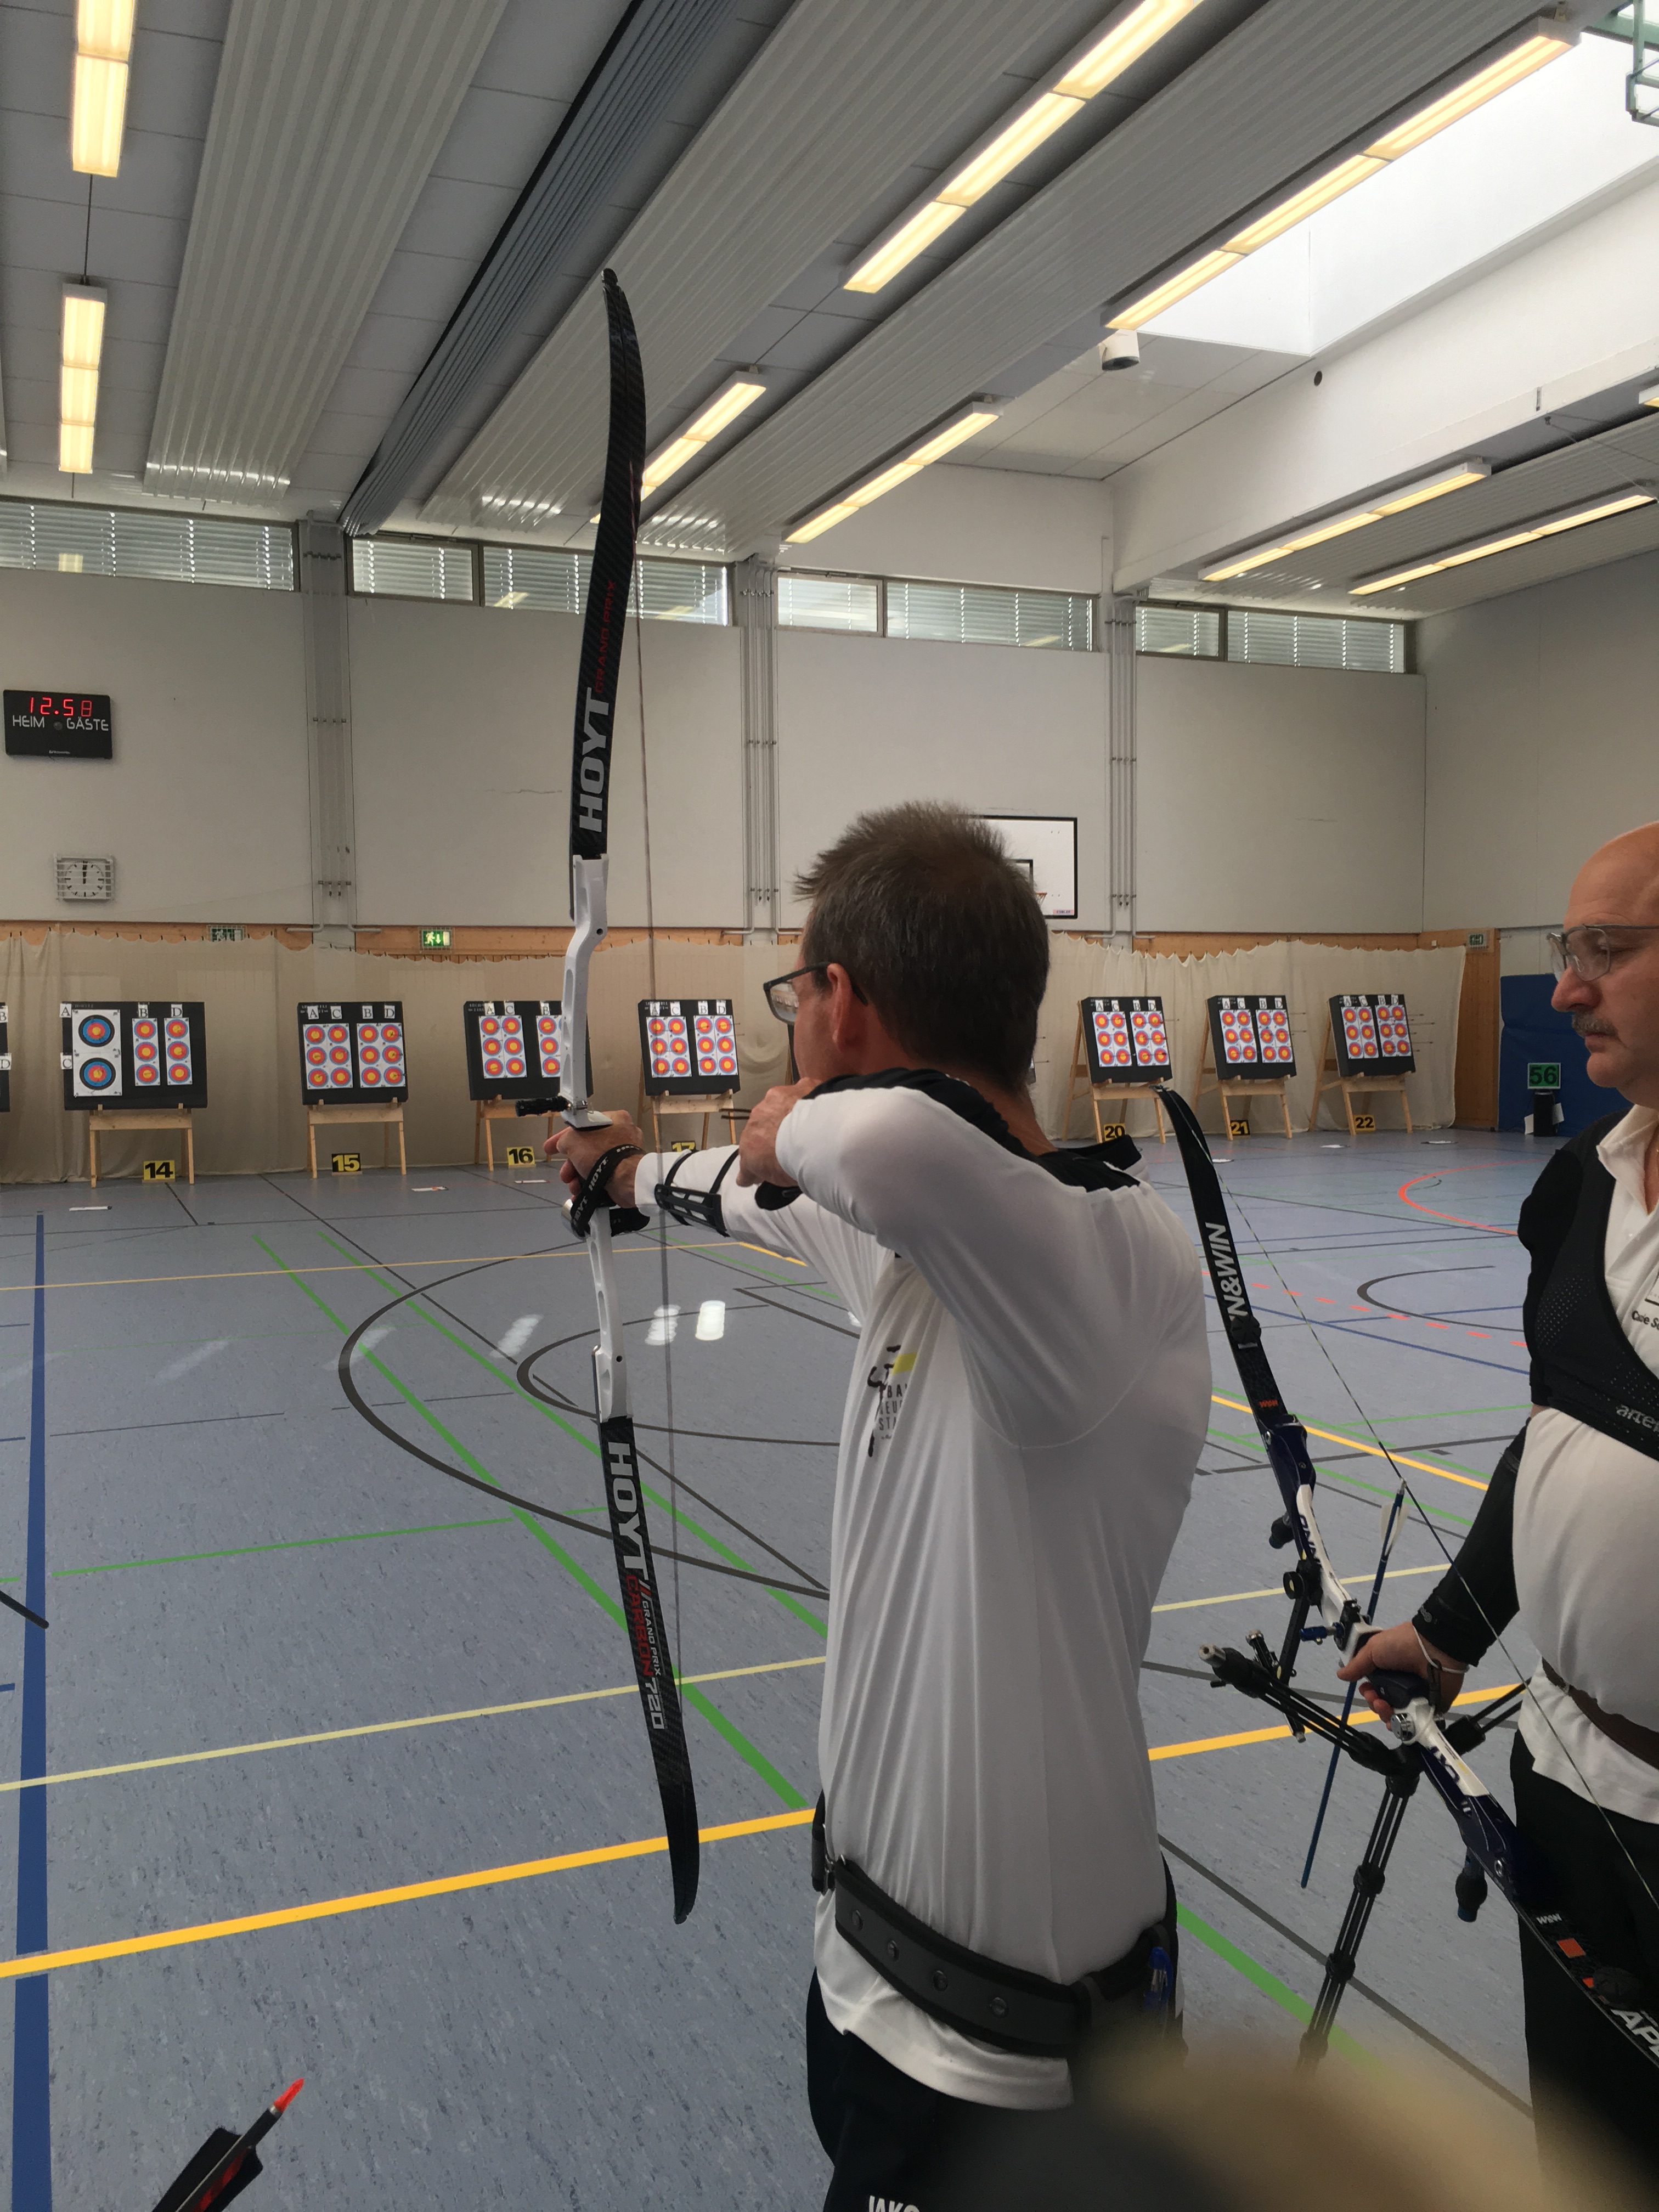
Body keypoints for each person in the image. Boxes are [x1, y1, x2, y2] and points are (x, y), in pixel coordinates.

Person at [552, 803, 1210, 2210]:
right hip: (874, 1992)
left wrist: (792, 1122)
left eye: (796, 995)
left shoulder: (1095, 1258)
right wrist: (628, 1172)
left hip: (1010, 2084)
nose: (790, 1028)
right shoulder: (938, 1255)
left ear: (841, 1004)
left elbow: (887, 1150)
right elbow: (758, 1196)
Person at [1339, 821, 1659, 2182]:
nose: (1569, 986)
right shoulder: (1581, 1186)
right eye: (1566, 951)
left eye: (1607, 950)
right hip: (1569, 1779)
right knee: (1586, 2157)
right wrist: (1449, 1630)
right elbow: (1555, 1436)